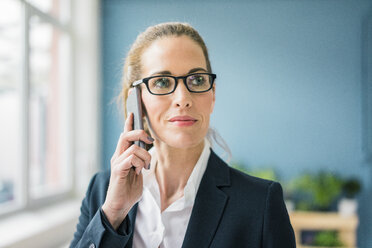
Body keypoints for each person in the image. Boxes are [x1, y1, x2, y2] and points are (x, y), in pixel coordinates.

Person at [70, 22, 296, 248]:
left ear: (213, 94)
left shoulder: (260, 203)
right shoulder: (103, 191)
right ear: (137, 100)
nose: (183, 98)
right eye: (162, 82)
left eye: (197, 80)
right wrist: (113, 214)